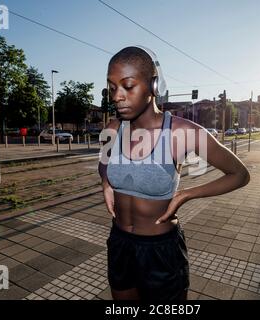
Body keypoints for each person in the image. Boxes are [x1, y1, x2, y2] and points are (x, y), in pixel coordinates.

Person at [98, 46, 250, 301]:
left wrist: (186, 195)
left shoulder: (183, 132)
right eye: (112, 88)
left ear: (153, 86)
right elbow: (103, 162)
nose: (117, 96)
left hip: (161, 252)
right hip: (119, 243)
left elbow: (239, 174)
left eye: (128, 86)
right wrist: (105, 181)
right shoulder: (113, 128)